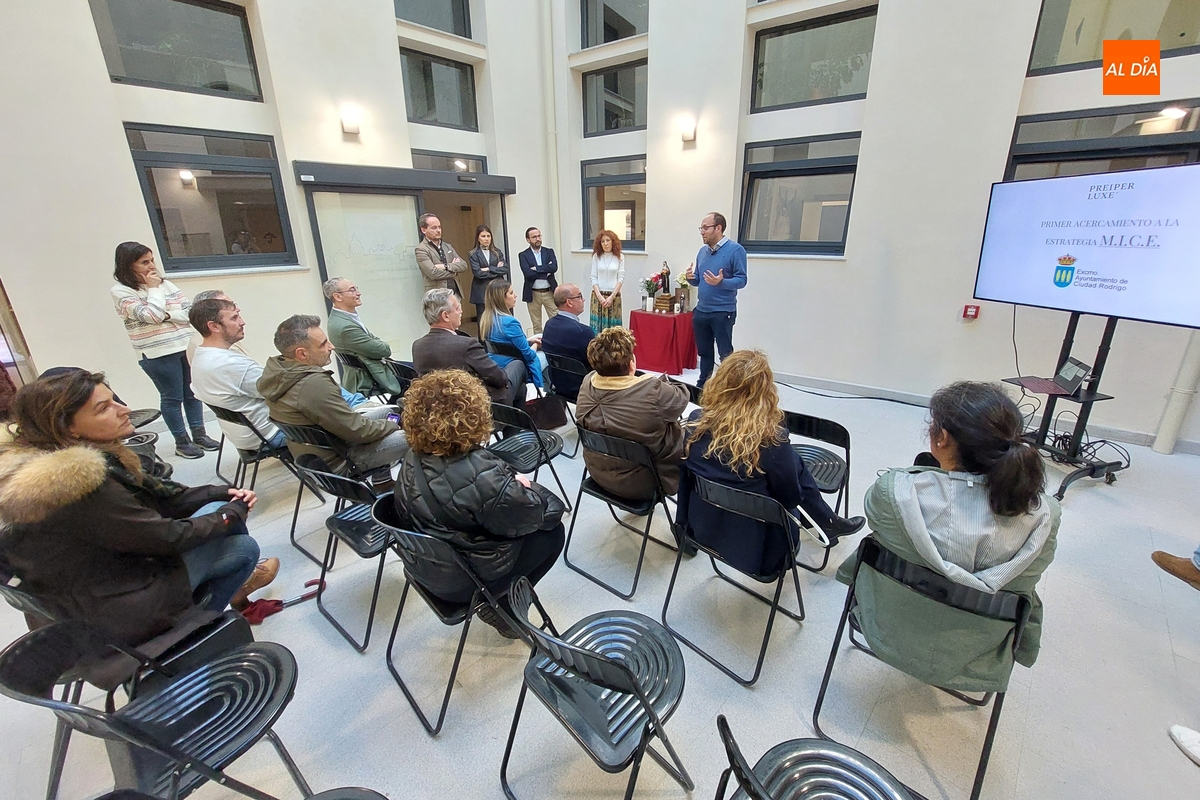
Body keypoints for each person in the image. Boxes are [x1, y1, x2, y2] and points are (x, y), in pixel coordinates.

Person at [0, 370, 278, 651]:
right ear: (68, 428)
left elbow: (157, 501)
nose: (124, 409)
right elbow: (167, 537)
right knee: (242, 548)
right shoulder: (74, 485)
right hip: (109, 612)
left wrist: (219, 494)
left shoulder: (51, 465)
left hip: (91, 592)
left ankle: (225, 603)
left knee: (220, 512)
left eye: (114, 400)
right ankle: (186, 638)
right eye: (104, 408)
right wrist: (229, 515)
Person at [834, 381, 1060, 691]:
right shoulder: (1044, 518)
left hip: (885, 629)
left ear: (941, 438)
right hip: (977, 657)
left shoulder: (892, 493)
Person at [393, 370, 566, 637]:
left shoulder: (412, 456)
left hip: (425, 567)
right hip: (464, 582)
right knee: (553, 534)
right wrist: (526, 485)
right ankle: (503, 607)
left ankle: (500, 600)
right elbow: (542, 514)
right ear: (475, 415)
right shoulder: (483, 475)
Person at [678, 350, 865, 576]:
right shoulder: (771, 440)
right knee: (792, 461)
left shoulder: (695, 423)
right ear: (764, 392)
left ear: (719, 384)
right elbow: (791, 499)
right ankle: (826, 520)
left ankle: (826, 520)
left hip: (704, 531)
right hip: (763, 551)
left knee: (790, 459)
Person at [110, 241, 220, 459]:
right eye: (144, 262)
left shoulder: (166, 285)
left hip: (184, 345)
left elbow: (189, 313)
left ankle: (199, 435)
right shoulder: (121, 291)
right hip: (157, 353)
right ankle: (182, 442)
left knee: (192, 393)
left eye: (152, 260)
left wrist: (166, 315)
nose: (152, 266)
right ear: (128, 266)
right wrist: (153, 290)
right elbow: (151, 316)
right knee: (172, 398)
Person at [257, 315, 408, 473]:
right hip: (341, 460)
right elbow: (357, 431)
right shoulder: (312, 384)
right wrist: (394, 426)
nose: (331, 346)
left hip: (319, 453)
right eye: (323, 344)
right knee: (418, 436)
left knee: (390, 411)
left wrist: (388, 424)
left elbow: (349, 425)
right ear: (302, 354)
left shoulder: (279, 372)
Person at [576, 327, 689, 501]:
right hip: (646, 483)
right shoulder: (652, 390)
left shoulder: (587, 382)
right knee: (693, 426)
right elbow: (682, 396)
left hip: (599, 474)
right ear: (631, 363)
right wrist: (649, 380)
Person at [188, 297, 287, 452]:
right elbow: (281, 392)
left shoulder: (200, 356)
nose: (242, 322)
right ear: (214, 326)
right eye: (234, 318)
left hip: (244, 436)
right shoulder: (232, 364)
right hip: (271, 434)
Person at [412, 288, 520, 406]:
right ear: (445, 316)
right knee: (518, 365)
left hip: (436, 406)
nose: (461, 311)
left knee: (521, 388)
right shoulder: (466, 345)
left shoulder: (417, 346)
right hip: (474, 406)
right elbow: (498, 378)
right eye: (457, 308)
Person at [685, 213, 747, 388]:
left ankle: (729, 388)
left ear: (718, 228)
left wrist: (722, 282)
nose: (702, 232)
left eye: (706, 228)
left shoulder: (736, 250)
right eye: (701, 228)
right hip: (702, 311)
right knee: (704, 352)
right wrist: (691, 278)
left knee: (725, 354)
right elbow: (700, 280)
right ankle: (703, 385)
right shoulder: (702, 252)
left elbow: (742, 280)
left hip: (722, 311)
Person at [323, 277, 402, 395]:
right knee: (419, 376)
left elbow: (371, 339)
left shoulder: (343, 318)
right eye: (352, 290)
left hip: (369, 370)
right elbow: (383, 351)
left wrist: (377, 343)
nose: (358, 293)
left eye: (356, 288)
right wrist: (383, 345)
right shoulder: (345, 327)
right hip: (368, 377)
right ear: (338, 297)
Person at [480, 280, 544, 393]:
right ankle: (543, 391)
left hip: (496, 361)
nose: (515, 295)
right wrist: (535, 344)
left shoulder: (486, 319)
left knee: (537, 336)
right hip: (515, 363)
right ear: (502, 298)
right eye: (511, 293)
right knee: (544, 354)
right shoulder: (510, 322)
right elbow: (528, 355)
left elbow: (504, 344)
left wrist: (528, 341)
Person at [540, 284, 595, 402]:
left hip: (559, 387)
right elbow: (598, 363)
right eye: (579, 296)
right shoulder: (583, 331)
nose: (583, 300)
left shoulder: (549, 325)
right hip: (584, 389)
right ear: (569, 302)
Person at [517, 226, 559, 335]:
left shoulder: (549, 252)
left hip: (549, 291)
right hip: (533, 293)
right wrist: (545, 270)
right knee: (536, 324)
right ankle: (539, 343)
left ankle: (556, 341)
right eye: (534, 237)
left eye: (539, 236)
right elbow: (527, 273)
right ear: (528, 240)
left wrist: (537, 268)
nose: (538, 239)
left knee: (556, 319)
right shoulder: (523, 255)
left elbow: (554, 267)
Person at [415, 213, 468, 295]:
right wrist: (454, 272)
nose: (438, 230)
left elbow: (463, 265)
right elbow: (433, 273)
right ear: (423, 230)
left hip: (455, 292)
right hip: (437, 295)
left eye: (439, 227)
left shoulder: (447, 246)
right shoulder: (421, 249)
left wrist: (446, 266)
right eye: (434, 228)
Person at [468, 224, 509, 322]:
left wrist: (488, 268)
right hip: (481, 290)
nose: (486, 239)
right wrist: (496, 270)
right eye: (483, 236)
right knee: (483, 320)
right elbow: (478, 273)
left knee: (499, 318)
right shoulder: (473, 254)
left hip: (497, 289)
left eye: (488, 236)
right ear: (478, 238)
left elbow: (505, 269)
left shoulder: (497, 252)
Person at [589, 229, 625, 333]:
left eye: (608, 240)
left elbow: (621, 278)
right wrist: (600, 297)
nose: (605, 244)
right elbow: (593, 277)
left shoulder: (620, 257)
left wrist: (612, 296)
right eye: (602, 241)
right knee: (597, 330)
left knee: (614, 331)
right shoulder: (596, 256)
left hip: (613, 297)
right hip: (598, 297)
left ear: (613, 241)